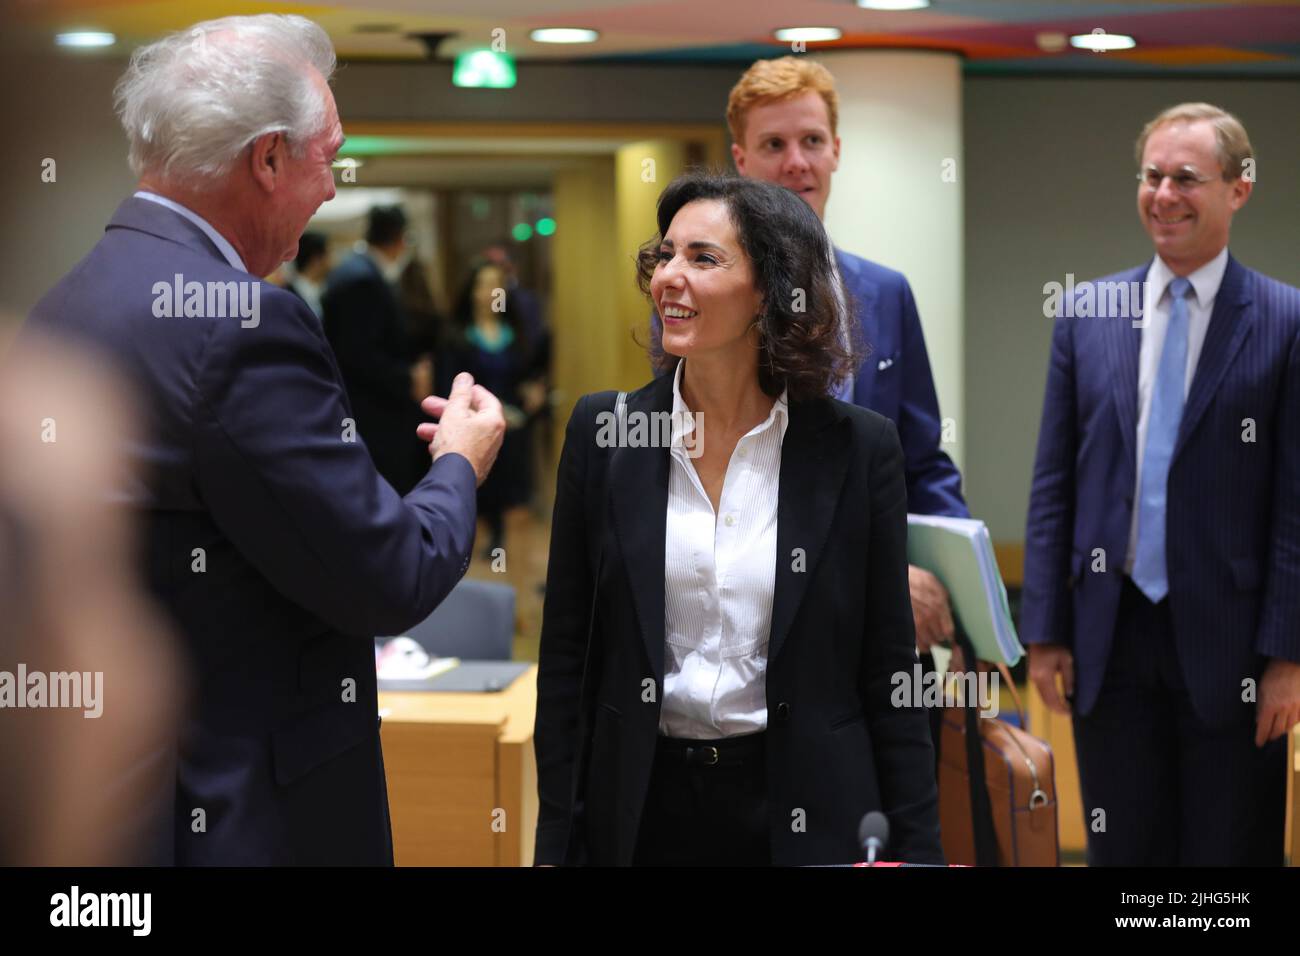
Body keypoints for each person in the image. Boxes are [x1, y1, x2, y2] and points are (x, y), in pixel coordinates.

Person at [24, 14, 505, 865]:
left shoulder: (64, 302)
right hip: (248, 813)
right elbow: (387, 575)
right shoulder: (243, 323)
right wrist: (458, 463)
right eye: (328, 155)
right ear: (270, 157)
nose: (331, 189)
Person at [534, 172, 944, 866]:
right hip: (641, 812)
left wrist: (920, 852)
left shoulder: (858, 449)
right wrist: (554, 847)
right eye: (663, 255)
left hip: (807, 812)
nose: (669, 277)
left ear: (770, 291)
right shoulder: (604, 432)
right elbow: (568, 666)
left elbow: (888, 678)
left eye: (703, 258)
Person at [1022, 103, 1300, 865]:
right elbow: (1054, 481)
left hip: (1234, 646)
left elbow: (1295, 508)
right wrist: (1044, 632)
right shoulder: (1087, 312)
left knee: (1226, 863)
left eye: (1186, 178)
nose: (1164, 195)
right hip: (1108, 637)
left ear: (1239, 189)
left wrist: (1288, 659)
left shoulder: (1284, 319)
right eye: (1152, 177)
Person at [660, 56, 966, 654]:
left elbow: (922, 463)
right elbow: (700, 463)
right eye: (774, 144)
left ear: (836, 151)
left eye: (812, 141)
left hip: (872, 619)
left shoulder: (887, 292)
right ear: (741, 159)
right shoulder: (698, 295)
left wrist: (957, 592)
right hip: (752, 603)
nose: (796, 162)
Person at [323, 204, 433, 495]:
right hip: (372, 414)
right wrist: (408, 378)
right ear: (398, 239)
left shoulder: (356, 271)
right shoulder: (362, 280)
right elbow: (359, 355)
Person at [440, 261, 544, 557]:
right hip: (472, 424)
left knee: (506, 485)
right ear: (472, 291)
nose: (490, 291)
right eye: (484, 284)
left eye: (496, 284)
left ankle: (497, 535)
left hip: (511, 424)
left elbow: (525, 375)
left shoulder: (514, 332)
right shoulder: (456, 336)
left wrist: (531, 392)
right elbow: (450, 386)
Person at [286, 230, 330, 319]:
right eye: (328, 254)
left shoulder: (322, 291)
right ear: (316, 260)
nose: (331, 261)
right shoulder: (286, 297)